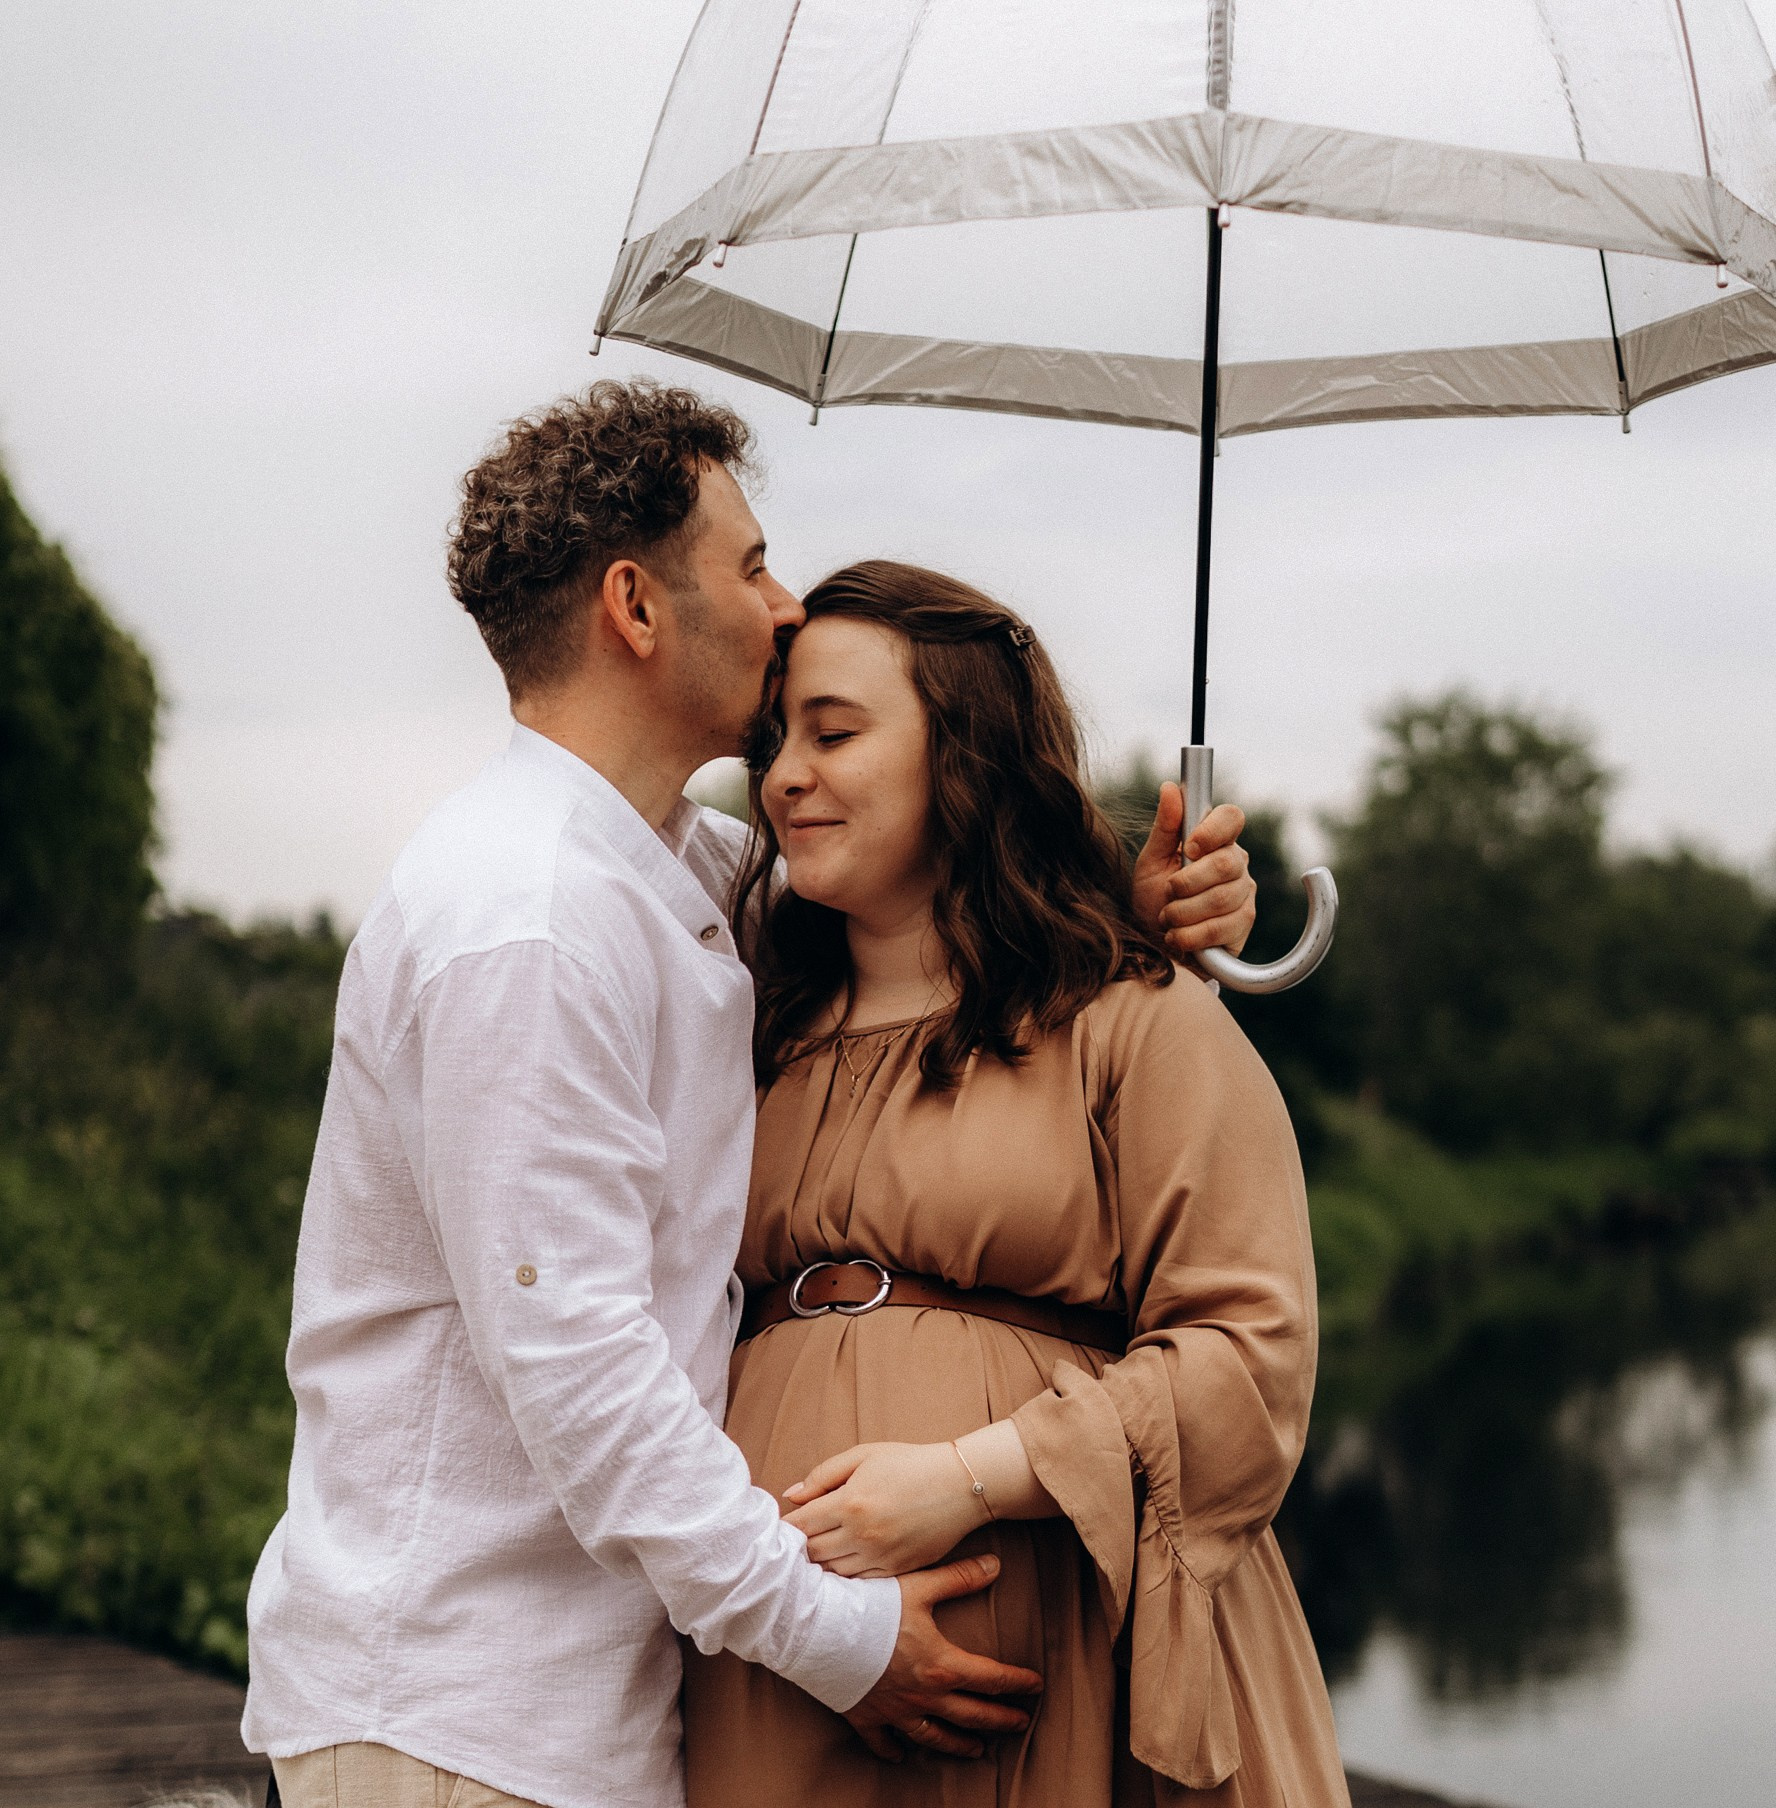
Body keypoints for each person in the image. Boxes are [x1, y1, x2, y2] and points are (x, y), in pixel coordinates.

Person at [242, 382, 1259, 1808]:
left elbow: (906, 868)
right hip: (466, 1719)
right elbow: (582, 1373)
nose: (781, 608)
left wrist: (1116, 898)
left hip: (588, 1714)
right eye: (750, 562)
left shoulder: (667, 874)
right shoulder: (527, 922)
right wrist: (841, 1640)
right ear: (635, 608)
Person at [682, 562, 1350, 1807]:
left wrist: (964, 1481)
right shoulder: (736, 1014)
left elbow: (1252, 1364)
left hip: (1043, 1658)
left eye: (833, 732)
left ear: (968, 758)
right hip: (776, 1659)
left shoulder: (1134, 1020)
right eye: (775, 739)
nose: (781, 777)